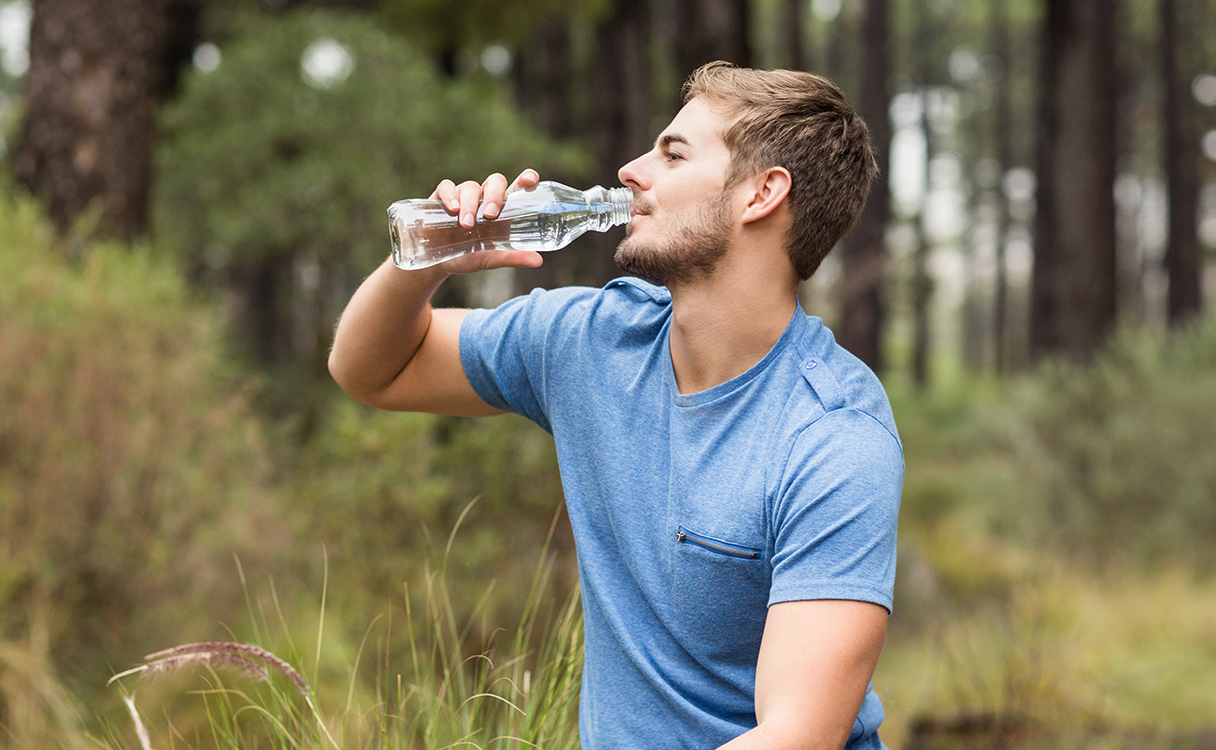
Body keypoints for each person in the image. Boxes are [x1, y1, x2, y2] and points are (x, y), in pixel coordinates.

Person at [328, 61, 903, 750]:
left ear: (761, 193)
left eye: (673, 153)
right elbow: (371, 370)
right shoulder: (594, 341)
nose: (632, 170)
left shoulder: (834, 435)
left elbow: (798, 736)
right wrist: (425, 264)